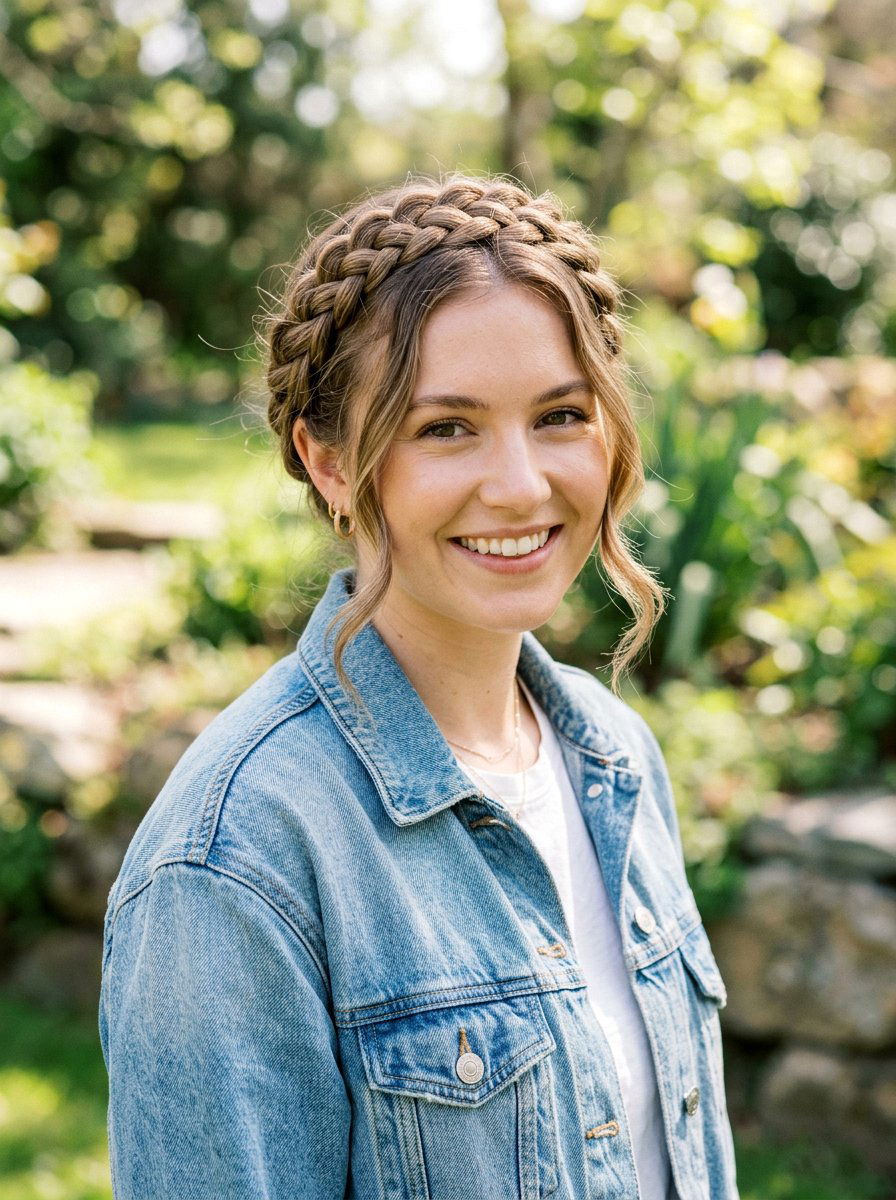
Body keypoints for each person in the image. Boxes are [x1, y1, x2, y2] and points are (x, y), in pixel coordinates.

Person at [99, 173, 740, 1200]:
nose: (522, 484)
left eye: (560, 415)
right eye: (446, 427)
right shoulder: (236, 859)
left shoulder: (613, 757)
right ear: (331, 462)